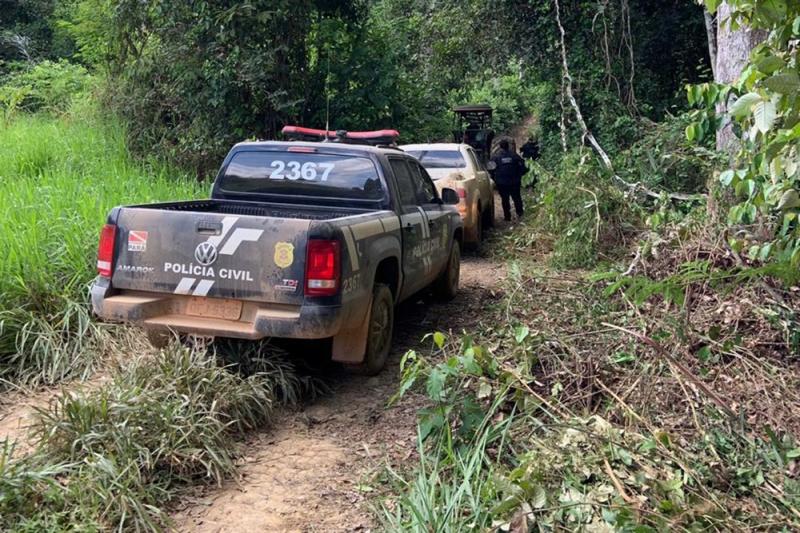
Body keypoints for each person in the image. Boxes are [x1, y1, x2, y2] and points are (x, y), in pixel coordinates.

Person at [490, 139, 526, 221]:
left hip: (502, 183)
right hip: (514, 182)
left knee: (505, 200)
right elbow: (524, 167)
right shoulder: (515, 156)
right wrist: (519, 175)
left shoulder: (496, 157)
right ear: (508, 146)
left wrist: (494, 178)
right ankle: (520, 214)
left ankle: (507, 217)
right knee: (517, 198)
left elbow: (490, 168)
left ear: (500, 147)